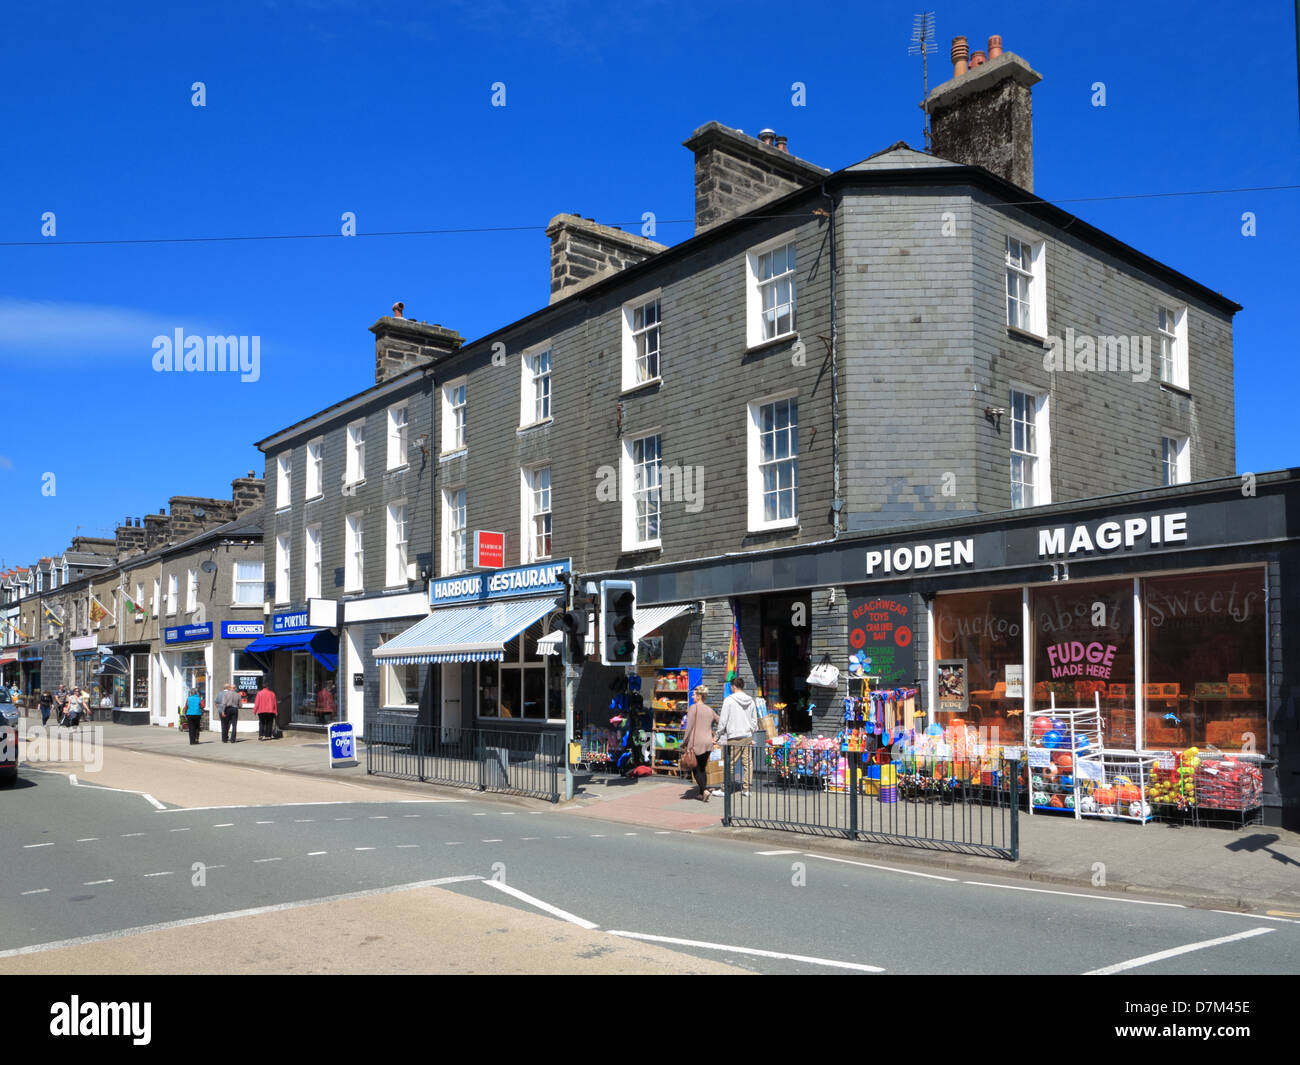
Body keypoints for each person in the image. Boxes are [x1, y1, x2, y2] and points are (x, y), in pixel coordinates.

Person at [717, 675, 758, 795]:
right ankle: (747, 789)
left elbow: (723, 720)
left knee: (730, 764)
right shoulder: (750, 700)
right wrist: (751, 730)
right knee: (748, 763)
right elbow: (754, 720)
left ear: (733, 687)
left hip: (734, 736)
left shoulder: (729, 700)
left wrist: (718, 734)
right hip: (747, 736)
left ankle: (725, 789)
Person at [681, 684, 719, 802]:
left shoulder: (693, 708)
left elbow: (689, 727)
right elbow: (721, 722)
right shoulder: (709, 710)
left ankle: (704, 790)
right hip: (708, 742)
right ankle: (702, 793)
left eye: (694, 694)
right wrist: (716, 737)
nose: (692, 696)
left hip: (696, 742)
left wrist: (684, 742)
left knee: (695, 768)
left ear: (699, 696)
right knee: (702, 768)